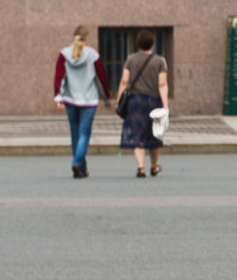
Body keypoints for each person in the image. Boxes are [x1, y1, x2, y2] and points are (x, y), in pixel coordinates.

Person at [53, 26, 109, 179]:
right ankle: (77, 163)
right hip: (89, 100)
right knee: (84, 134)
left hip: (70, 99)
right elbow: (101, 77)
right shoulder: (92, 55)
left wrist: (58, 96)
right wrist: (106, 97)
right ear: (86, 38)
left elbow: (59, 76)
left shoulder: (64, 54)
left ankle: (82, 169)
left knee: (75, 134)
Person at [115, 30, 169, 178]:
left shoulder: (130, 59)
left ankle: (140, 167)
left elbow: (125, 81)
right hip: (154, 101)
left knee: (138, 134)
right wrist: (165, 104)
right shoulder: (160, 61)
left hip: (135, 101)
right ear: (152, 43)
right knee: (154, 134)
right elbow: (162, 84)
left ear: (138, 43)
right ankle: (154, 166)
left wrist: (119, 98)